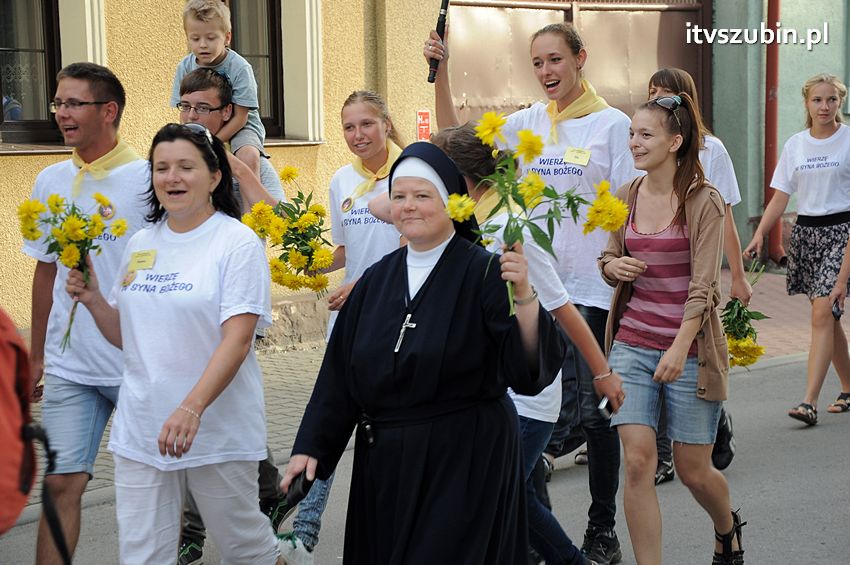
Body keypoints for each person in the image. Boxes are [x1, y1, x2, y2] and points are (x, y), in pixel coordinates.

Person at [281, 141, 566, 564]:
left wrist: (524, 296)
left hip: (465, 460)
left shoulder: (485, 272)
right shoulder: (376, 281)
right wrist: (312, 446)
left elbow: (527, 371)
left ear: (451, 203)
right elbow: (339, 377)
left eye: (422, 196)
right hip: (386, 463)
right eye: (399, 196)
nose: (408, 206)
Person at [425, 21, 636, 564]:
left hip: (590, 285)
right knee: (532, 423)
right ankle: (536, 543)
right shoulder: (524, 124)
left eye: (555, 60)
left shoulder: (611, 125)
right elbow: (457, 147)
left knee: (592, 415)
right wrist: (440, 70)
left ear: (580, 58)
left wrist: (624, 263)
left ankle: (601, 527)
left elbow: (628, 205)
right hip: (532, 284)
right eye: (537, 62)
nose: (546, 72)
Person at [65, 123, 282, 564]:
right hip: (142, 427)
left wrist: (191, 407)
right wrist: (90, 299)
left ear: (215, 177)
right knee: (142, 555)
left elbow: (237, 339)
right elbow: (128, 336)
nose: (172, 177)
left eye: (186, 167)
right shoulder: (143, 243)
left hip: (215, 427)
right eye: (161, 168)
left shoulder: (235, 241)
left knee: (245, 548)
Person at [599, 93, 745, 565]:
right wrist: (613, 265)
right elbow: (606, 257)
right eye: (632, 134)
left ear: (675, 141)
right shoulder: (624, 196)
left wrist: (681, 347)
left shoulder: (705, 201)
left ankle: (727, 527)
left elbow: (704, 288)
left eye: (646, 134)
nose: (635, 143)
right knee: (638, 460)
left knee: (693, 470)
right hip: (632, 341)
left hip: (690, 346)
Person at [22, 62, 149, 565]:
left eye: (73, 103)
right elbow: (45, 273)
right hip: (71, 365)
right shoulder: (50, 179)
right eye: (58, 103)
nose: (61, 114)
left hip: (135, 363)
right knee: (60, 485)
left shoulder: (149, 179)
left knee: (168, 487)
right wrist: (36, 359)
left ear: (109, 111)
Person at [277, 90, 404, 565]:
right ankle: (305, 532)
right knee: (329, 425)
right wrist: (304, 264)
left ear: (386, 124)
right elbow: (348, 253)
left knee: (385, 433)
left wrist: (365, 286)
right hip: (350, 325)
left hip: (399, 323)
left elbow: (420, 250)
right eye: (349, 127)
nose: (357, 135)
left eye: (366, 124)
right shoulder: (340, 180)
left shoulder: (409, 173)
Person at [175, 67, 286, 565]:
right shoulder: (174, 160)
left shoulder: (248, 157)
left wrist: (241, 169)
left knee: (214, 410)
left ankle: (198, 530)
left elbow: (281, 222)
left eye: (203, 108)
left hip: (235, 305)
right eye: (186, 107)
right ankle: (267, 486)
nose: (193, 116)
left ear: (228, 114)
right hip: (186, 306)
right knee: (200, 412)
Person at [646, 68, 752, 484]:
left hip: (697, 271)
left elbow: (725, 215)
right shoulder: (645, 146)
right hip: (657, 272)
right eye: (652, 93)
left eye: (666, 95)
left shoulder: (712, 151)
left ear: (685, 100)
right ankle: (664, 451)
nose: (657, 101)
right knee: (657, 355)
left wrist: (738, 276)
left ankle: (714, 420)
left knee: (690, 354)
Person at [744, 73, 850, 425]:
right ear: (806, 103)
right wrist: (761, 233)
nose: (825, 106)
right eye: (818, 100)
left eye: (831, 99)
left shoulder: (849, 140)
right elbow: (782, 195)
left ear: (841, 102)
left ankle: (808, 401)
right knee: (828, 319)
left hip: (842, 234)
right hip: (807, 235)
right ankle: (849, 388)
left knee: (822, 314)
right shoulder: (796, 144)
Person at [171, 0, 264, 177]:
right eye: (195, 38)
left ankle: (250, 204)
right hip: (200, 124)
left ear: (227, 37)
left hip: (241, 127)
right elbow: (184, 110)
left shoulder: (240, 68)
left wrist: (213, 143)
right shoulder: (184, 66)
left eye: (211, 38)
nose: (203, 45)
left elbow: (241, 117)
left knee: (249, 157)